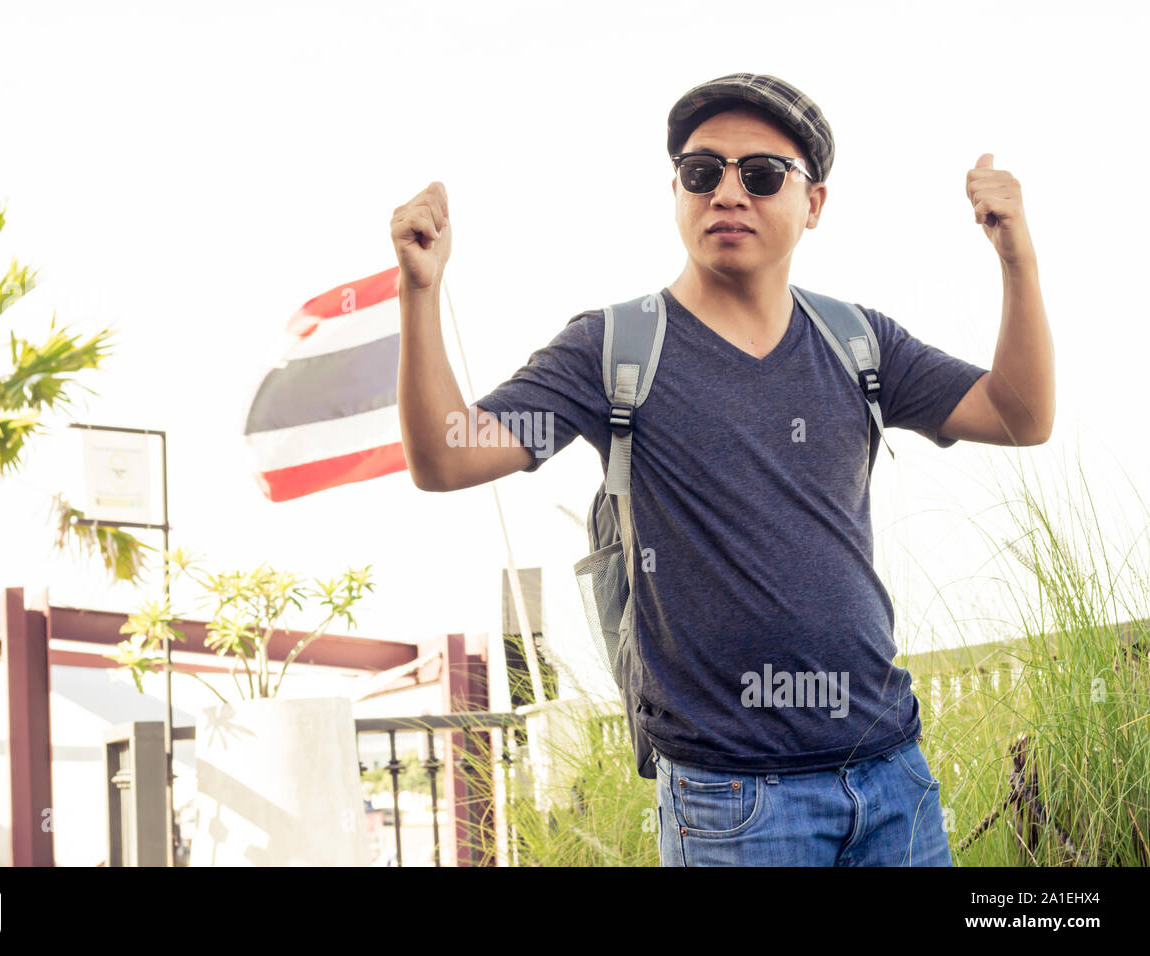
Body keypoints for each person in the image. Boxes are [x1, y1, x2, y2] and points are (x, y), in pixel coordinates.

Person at [389, 72, 1054, 866]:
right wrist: (418, 293)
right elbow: (446, 455)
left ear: (813, 205)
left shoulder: (858, 343)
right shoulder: (611, 351)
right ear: (676, 189)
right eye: (703, 172)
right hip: (730, 802)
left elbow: (1020, 415)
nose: (728, 192)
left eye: (762, 174)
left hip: (890, 778)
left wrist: (1017, 256)